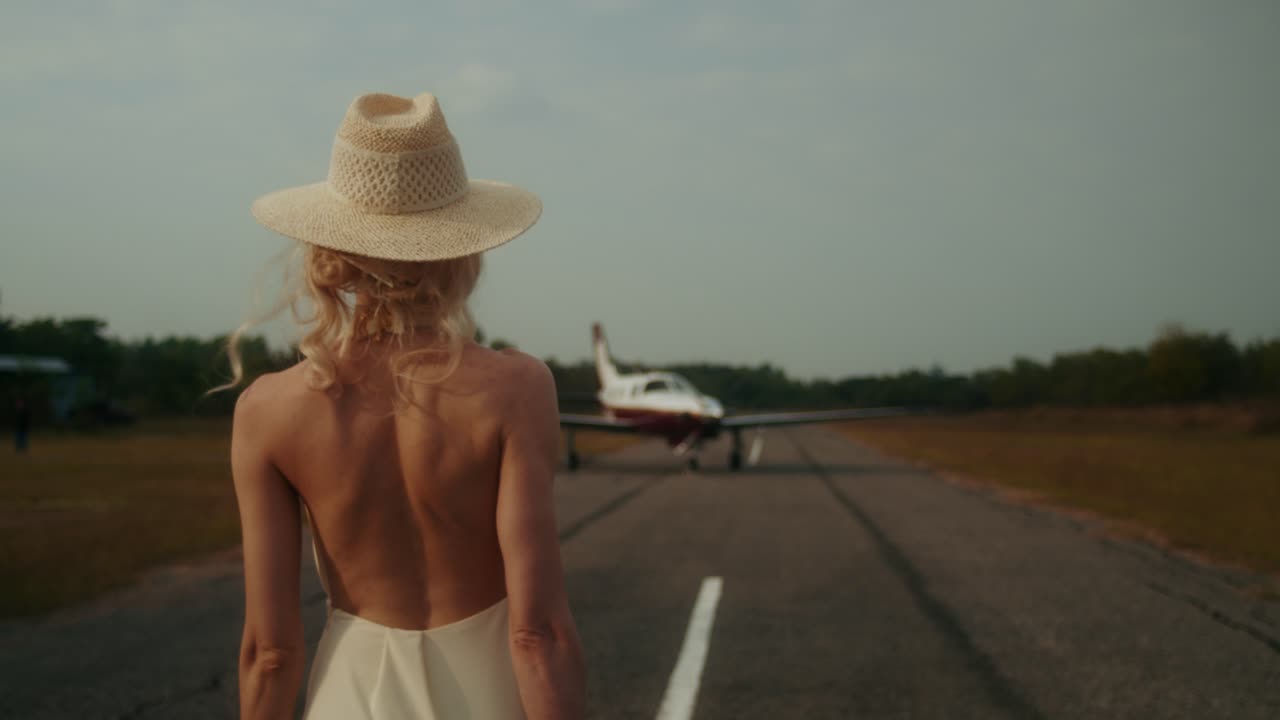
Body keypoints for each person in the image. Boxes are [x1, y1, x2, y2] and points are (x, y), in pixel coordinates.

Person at [228, 92, 585, 719]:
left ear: (330, 251)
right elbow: (537, 636)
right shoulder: (518, 389)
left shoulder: (267, 409)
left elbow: (270, 653)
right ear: (462, 247)